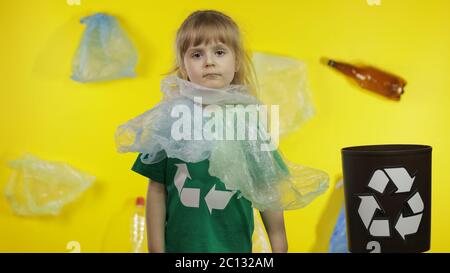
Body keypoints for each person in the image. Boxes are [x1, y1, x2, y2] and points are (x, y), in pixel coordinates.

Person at [116, 10, 329, 253]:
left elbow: (266, 188)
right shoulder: (171, 121)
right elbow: (156, 189)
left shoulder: (248, 124)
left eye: (219, 52)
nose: (209, 61)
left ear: (236, 61)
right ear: (184, 67)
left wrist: (279, 242)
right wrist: (156, 249)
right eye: (197, 54)